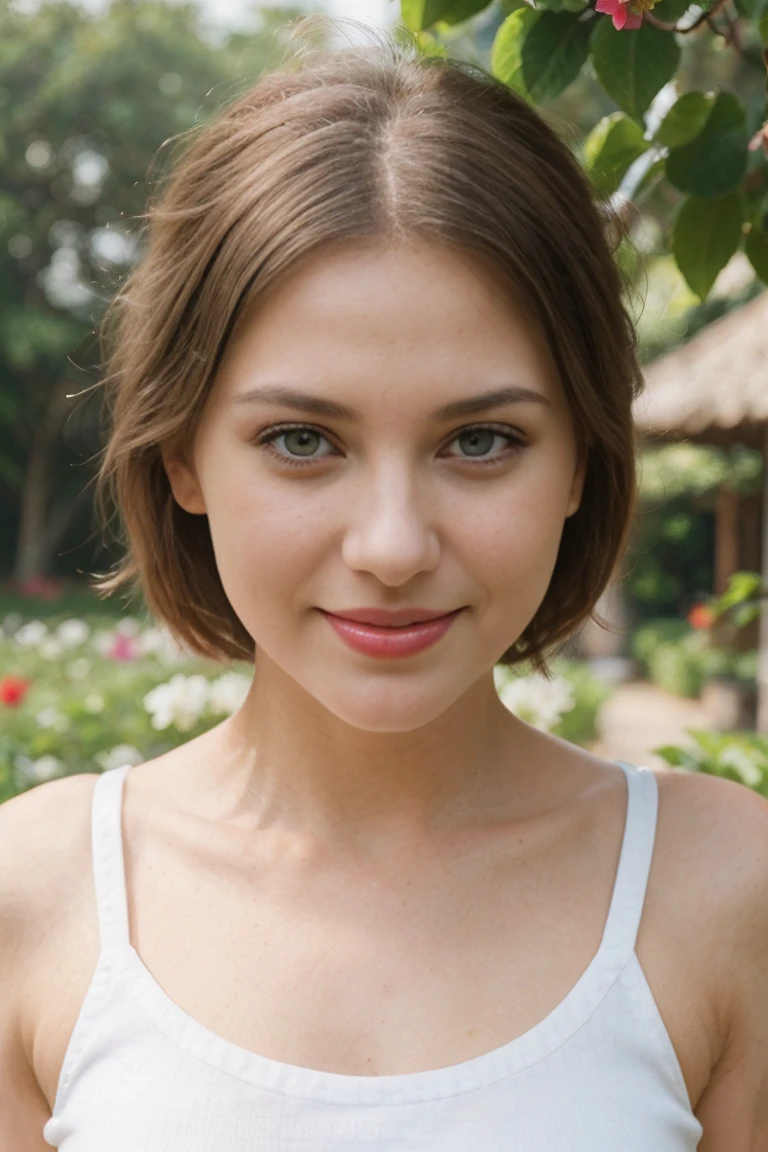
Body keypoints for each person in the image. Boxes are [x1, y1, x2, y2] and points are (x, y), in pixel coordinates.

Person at [1, 25, 767, 1151]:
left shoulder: (728, 893)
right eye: (304, 439)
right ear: (181, 460)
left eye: (483, 441)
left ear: (582, 465)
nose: (395, 545)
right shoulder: (32, 903)